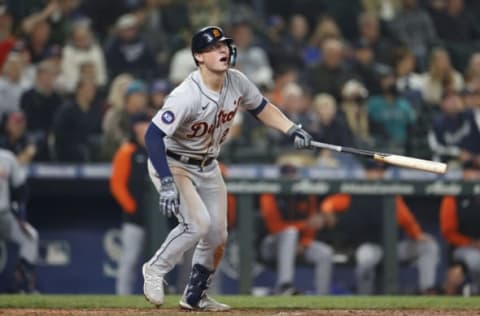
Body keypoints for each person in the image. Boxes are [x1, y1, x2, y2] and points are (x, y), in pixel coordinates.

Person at [141, 25, 313, 311]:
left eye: (223, 46)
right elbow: (152, 135)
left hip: (208, 165)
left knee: (218, 236)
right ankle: (155, 269)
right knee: (197, 224)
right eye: (212, 48)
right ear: (198, 57)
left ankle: (195, 296)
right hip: (173, 162)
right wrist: (168, 181)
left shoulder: (237, 81)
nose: (221, 50)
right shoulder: (187, 94)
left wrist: (291, 128)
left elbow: (261, 107)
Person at [320, 190, 439, 294]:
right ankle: (364, 299)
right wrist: (328, 214)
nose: (375, 174)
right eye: (371, 171)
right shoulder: (356, 193)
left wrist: (417, 234)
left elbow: (406, 219)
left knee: (429, 246)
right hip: (372, 247)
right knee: (365, 258)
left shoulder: (392, 195)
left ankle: (427, 290)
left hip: (395, 247)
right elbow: (328, 204)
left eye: (379, 171)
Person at [258, 164, 334, 295]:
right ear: (280, 177)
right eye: (286, 175)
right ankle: (284, 285)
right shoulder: (269, 194)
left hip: (299, 245)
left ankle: (323, 295)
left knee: (325, 253)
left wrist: (304, 244)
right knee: (290, 233)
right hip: (271, 245)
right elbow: (274, 227)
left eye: (292, 174)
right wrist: (303, 225)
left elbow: (312, 225)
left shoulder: (306, 194)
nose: (290, 177)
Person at [110, 113, 151, 295]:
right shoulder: (127, 151)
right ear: (135, 129)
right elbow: (117, 184)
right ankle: (122, 299)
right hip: (134, 219)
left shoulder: (158, 150)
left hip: (159, 220)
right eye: (142, 127)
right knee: (130, 259)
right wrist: (132, 207)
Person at [0, 148, 39, 293]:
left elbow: (22, 189)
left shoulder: (6, 157)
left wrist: (22, 217)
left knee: (30, 236)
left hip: (3, 215)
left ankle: (23, 285)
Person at [439, 195, 480, 295]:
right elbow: (448, 232)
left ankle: (474, 290)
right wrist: (472, 243)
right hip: (462, 248)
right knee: (475, 259)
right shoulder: (453, 196)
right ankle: (475, 291)